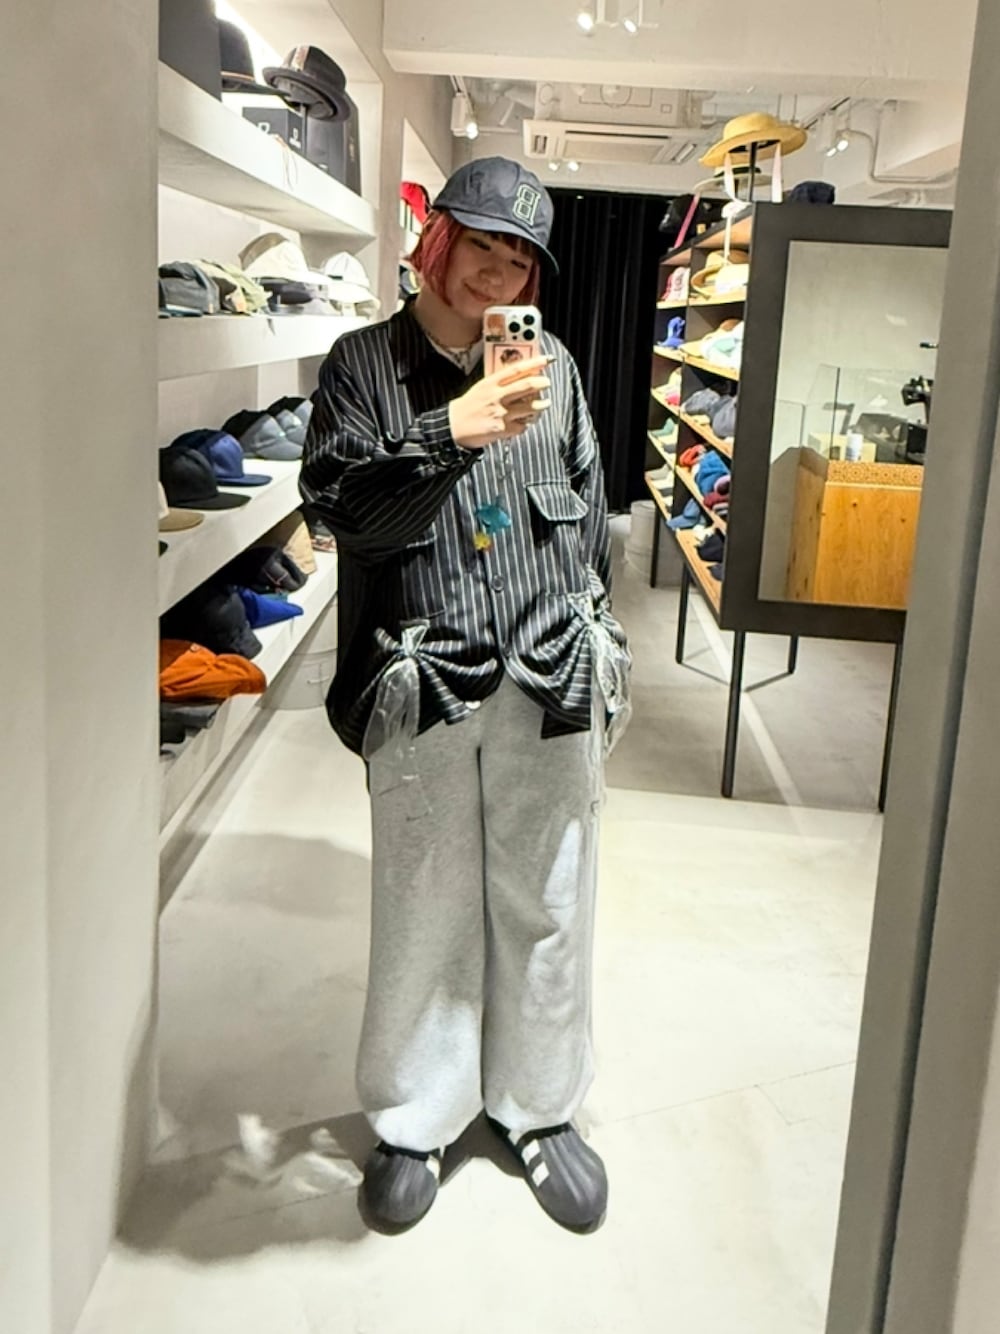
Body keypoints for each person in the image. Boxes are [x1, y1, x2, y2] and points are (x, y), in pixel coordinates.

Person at [300, 157, 630, 1235]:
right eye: (482, 242)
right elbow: (344, 514)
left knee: (550, 899)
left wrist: (591, 632)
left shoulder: (555, 365)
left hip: (546, 674)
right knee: (422, 903)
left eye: (521, 255)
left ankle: (540, 1108)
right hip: (423, 678)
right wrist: (456, 428)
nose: (500, 269)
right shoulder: (362, 365)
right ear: (437, 242)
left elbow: (586, 506)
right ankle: (415, 1114)